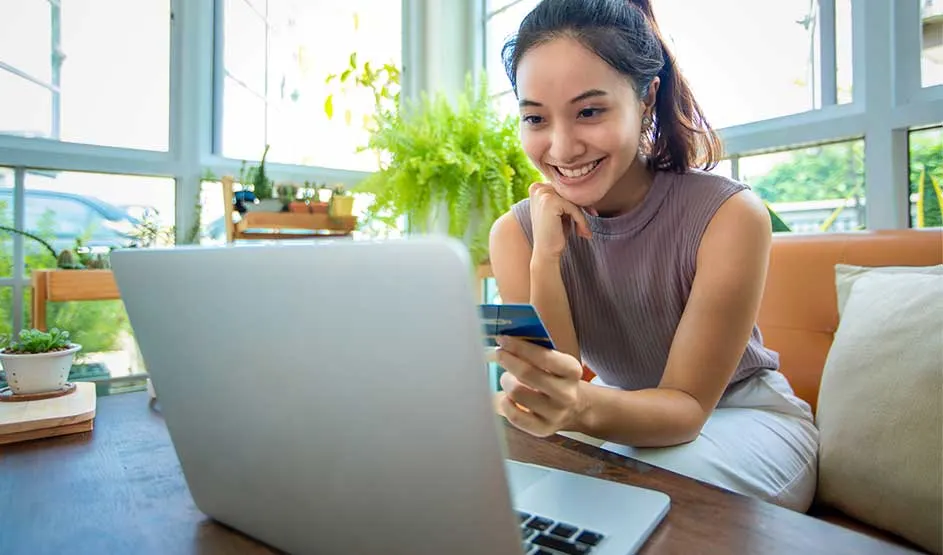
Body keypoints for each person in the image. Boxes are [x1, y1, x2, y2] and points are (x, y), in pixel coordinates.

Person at [487, 0, 819, 513]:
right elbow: (560, 377)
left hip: (742, 415)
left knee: (626, 496)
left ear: (647, 99)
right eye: (535, 118)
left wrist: (573, 406)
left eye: (590, 111)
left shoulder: (728, 214)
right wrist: (546, 259)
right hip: (621, 418)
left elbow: (685, 410)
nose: (562, 147)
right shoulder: (517, 234)